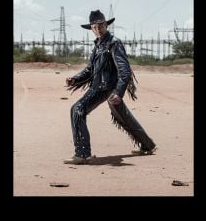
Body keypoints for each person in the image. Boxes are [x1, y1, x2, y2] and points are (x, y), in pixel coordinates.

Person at [64, 10, 156, 164]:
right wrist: (75, 79)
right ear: (91, 28)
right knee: (124, 117)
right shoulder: (98, 45)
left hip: (105, 88)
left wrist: (118, 92)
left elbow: (125, 71)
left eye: (100, 25)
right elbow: (90, 70)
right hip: (100, 87)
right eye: (94, 26)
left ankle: (82, 153)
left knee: (77, 110)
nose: (98, 28)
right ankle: (147, 145)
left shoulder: (114, 43)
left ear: (106, 25)